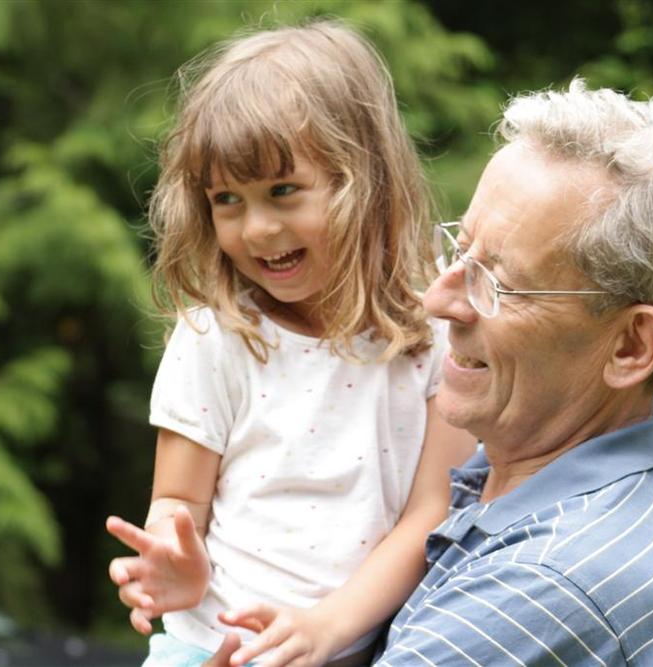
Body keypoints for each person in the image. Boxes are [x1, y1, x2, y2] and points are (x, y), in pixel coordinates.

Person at [209, 79, 653, 666]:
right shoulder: (567, 484)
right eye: (460, 249)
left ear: (631, 346)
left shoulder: (539, 588)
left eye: (496, 282)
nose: (437, 301)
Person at [104, 21, 475, 667]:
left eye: (282, 191)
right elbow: (178, 501)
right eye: (227, 200)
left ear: (364, 179)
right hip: (207, 647)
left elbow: (431, 514)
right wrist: (174, 560)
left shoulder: (435, 333)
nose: (257, 228)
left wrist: (328, 627)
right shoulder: (216, 337)